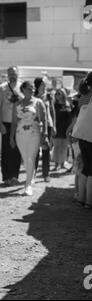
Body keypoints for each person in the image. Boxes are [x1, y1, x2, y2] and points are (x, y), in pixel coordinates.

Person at [10, 81, 47, 196]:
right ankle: (31, 177)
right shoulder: (17, 104)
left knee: (31, 158)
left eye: (33, 88)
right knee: (25, 159)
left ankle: (28, 185)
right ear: (23, 89)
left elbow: (44, 120)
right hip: (20, 134)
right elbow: (14, 122)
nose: (32, 90)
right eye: (30, 88)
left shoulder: (38, 102)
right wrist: (11, 137)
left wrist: (44, 135)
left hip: (34, 134)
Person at [0, 66, 22, 185]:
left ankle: (15, 176)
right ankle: (6, 176)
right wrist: (0, 123)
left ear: (18, 74)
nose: (12, 75)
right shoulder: (2, 88)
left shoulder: (22, 87)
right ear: (7, 74)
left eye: (14, 73)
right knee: (6, 151)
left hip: (19, 123)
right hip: (6, 122)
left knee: (17, 150)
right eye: (10, 73)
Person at [71, 72, 92, 208]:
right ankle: (89, 201)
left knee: (86, 167)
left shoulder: (83, 97)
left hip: (81, 135)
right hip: (90, 135)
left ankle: (81, 197)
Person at [34, 77, 56, 182]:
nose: (44, 86)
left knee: (46, 150)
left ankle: (46, 174)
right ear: (37, 85)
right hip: (36, 126)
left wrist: (54, 125)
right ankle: (33, 173)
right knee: (35, 151)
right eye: (42, 84)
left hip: (49, 125)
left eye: (44, 84)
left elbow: (52, 111)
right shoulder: (33, 96)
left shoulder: (48, 96)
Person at [52, 88, 72, 171]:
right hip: (57, 127)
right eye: (56, 94)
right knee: (56, 147)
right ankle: (56, 164)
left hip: (66, 128)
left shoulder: (68, 104)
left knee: (64, 147)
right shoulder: (54, 105)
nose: (57, 95)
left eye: (59, 93)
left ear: (63, 94)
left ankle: (63, 163)